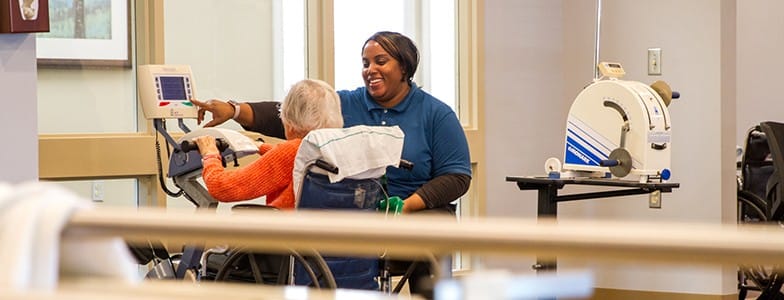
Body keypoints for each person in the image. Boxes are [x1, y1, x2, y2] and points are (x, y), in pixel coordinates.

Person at [192, 31, 471, 297]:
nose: (370, 69)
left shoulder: (436, 114)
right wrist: (234, 111)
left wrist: (407, 205)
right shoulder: (345, 104)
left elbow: (457, 176)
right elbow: (293, 115)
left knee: (431, 236)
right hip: (357, 214)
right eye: (365, 63)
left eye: (380, 61)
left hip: (414, 208)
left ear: (405, 67)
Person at [193, 79, 343, 209]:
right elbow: (297, 159)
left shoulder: (290, 152)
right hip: (328, 235)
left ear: (288, 120)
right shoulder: (335, 146)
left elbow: (223, 188)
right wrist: (260, 147)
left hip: (285, 237)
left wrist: (210, 154)